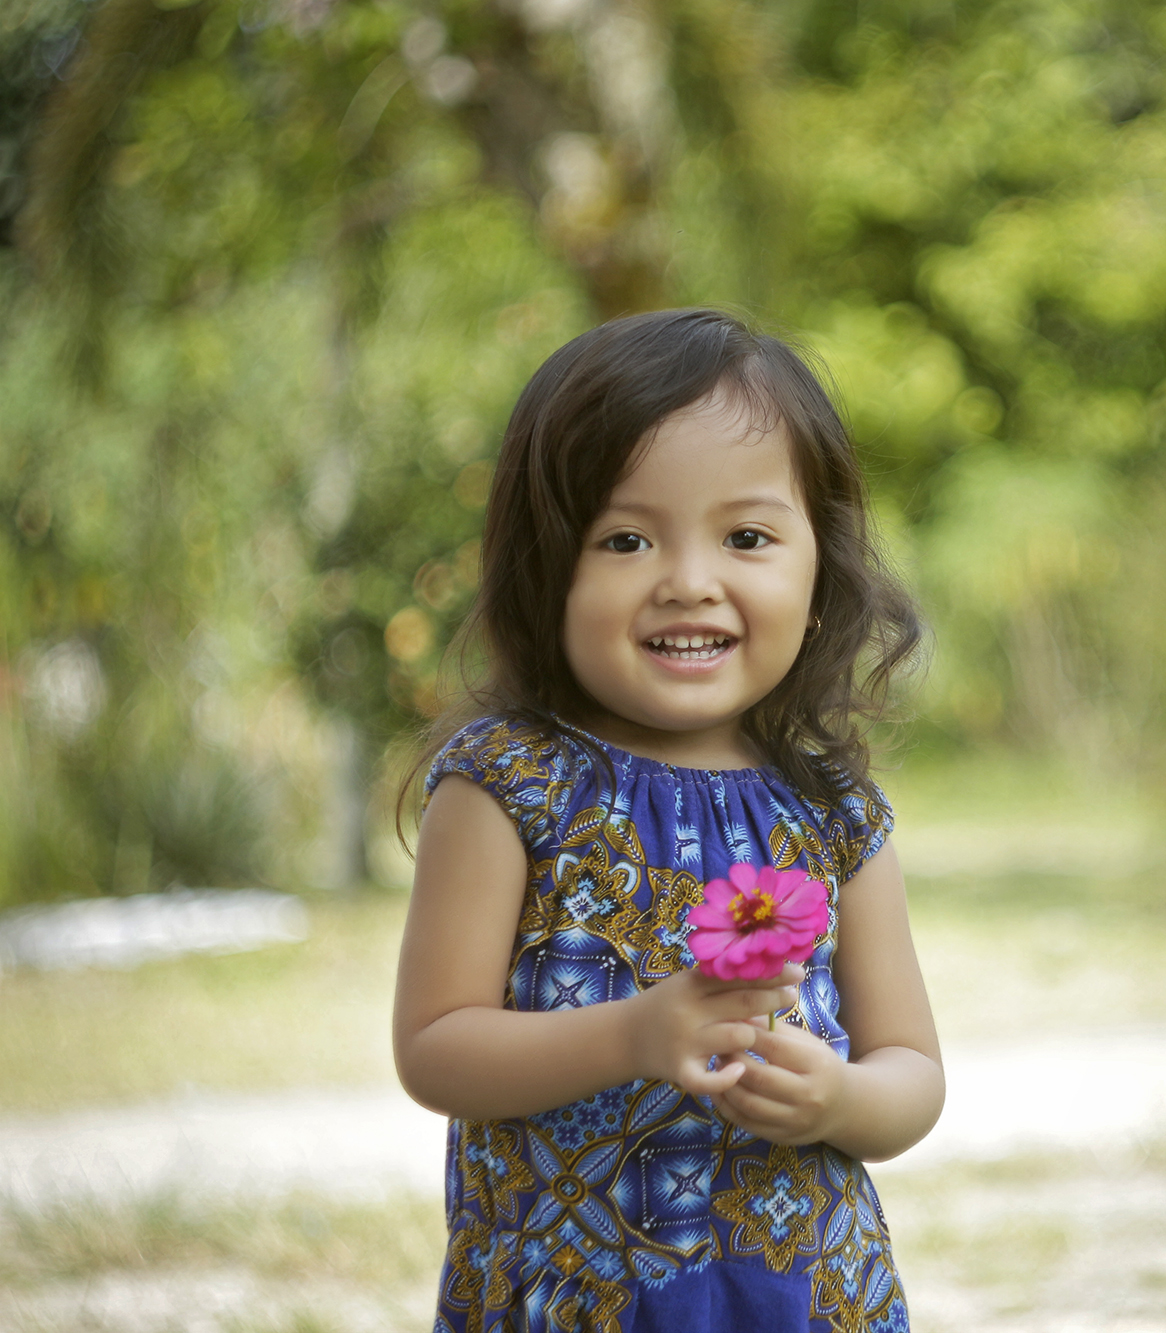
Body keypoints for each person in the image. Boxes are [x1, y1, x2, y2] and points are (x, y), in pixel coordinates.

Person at [392, 308, 942, 1333]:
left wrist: (837, 1103)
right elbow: (435, 1048)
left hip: (807, 1296)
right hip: (578, 1298)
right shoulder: (510, 786)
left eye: (746, 536)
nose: (688, 581)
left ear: (818, 568)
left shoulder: (834, 812)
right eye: (626, 538)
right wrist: (635, 1032)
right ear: (546, 568)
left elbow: (910, 1069)